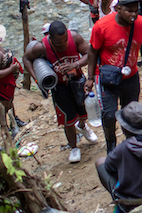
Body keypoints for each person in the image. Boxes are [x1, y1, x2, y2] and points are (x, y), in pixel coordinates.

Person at [86, 0, 142, 152]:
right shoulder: (102, 26)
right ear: (118, 8)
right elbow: (93, 52)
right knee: (109, 115)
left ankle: (132, 144)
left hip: (130, 77)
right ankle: (111, 143)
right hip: (108, 78)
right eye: (129, 10)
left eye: (135, 10)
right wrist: (90, 78)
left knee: (130, 113)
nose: (133, 14)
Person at [24, 21, 99, 163]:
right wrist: (37, 79)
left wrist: (75, 64)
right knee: (67, 119)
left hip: (77, 80)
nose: (64, 45)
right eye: (59, 44)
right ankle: (73, 147)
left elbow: (89, 54)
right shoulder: (42, 47)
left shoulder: (75, 38)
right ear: (50, 39)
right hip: (60, 87)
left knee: (84, 110)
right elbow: (26, 58)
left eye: (65, 40)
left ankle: (82, 126)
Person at [95, 101, 142, 211]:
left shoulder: (122, 149)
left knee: (100, 162)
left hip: (130, 203)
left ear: (125, 129)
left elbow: (109, 166)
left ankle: (116, 194)